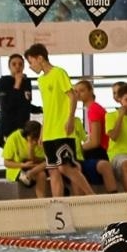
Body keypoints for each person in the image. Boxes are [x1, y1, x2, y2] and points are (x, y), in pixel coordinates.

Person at [24, 43, 92, 197]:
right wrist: (42, 132)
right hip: (49, 132)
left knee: (66, 167)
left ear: (40, 58)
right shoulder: (41, 81)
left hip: (62, 130)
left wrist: (70, 120)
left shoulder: (59, 73)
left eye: (31, 62)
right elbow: (47, 108)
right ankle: (58, 206)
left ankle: (91, 195)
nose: (30, 66)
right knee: (53, 170)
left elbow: (72, 96)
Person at [70, 79, 118, 193]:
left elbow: (95, 142)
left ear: (90, 91)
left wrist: (78, 149)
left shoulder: (94, 110)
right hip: (99, 150)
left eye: (82, 90)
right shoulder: (93, 109)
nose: (78, 94)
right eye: (76, 91)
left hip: (99, 152)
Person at [0, 53, 38, 148]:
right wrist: (17, 84)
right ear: (9, 67)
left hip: (23, 126)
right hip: (8, 126)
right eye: (14, 64)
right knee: (12, 157)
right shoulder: (3, 82)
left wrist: (41, 109)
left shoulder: (26, 82)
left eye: (20, 64)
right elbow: (7, 106)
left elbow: (26, 104)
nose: (17, 67)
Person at [2, 120, 50, 198]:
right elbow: (6, 163)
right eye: (33, 139)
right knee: (41, 174)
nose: (35, 142)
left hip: (35, 167)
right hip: (17, 168)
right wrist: (23, 165)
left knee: (43, 172)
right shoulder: (14, 138)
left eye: (37, 139)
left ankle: (42, 202)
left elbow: (39, 160)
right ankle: (42, 201)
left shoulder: (40, 140)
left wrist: (31, 148)